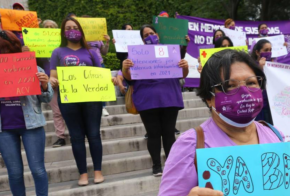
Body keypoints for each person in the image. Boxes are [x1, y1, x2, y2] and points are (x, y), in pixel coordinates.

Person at [154, 50, 290, 196]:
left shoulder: (274, 134)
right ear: (209, 98)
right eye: (230, 85)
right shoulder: (191, 145)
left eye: (252, 82)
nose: (245, 91)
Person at [50, 17, 118, 186]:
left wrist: (111, 80)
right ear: (63, 32)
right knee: (76, 136)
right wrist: (52, 81)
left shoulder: (91, 52)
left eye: (75, 27)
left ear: (80, 30)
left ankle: (97, 171)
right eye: (68, 27)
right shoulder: (57, 52)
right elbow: (52, 75)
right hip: (68, 99)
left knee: (94, 134)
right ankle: (82, 173)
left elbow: (100, 74)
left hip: (91, 99)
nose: (72, 30)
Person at [121, 24, 189, 176]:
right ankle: (156, 165)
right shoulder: (135, 54)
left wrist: (184, 66)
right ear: (142, 39)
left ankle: (171, 165)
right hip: (147, 100)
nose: (149, 36)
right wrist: (125, 68)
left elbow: (182, 75)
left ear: (157, 34)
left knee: (169, 133)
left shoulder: (171, 51)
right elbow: (129, 78)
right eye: (145, 35)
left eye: (151, 33)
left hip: (169, 98)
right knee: (153, 133)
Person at [0, 30, 53, 196]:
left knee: (37, 168)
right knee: (14, 172)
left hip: (31, 124)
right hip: (4, 127)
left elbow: (46, 98)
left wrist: (46, 85)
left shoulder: (33, 68)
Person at [36, 20, 67, 147]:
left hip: (67, 80)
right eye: (46, 27)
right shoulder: (37, 45)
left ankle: (79, 133)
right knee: (57, 111)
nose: (49, 28)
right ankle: (61, 136)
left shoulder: (63, 45)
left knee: (73, 109)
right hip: (49, 81)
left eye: (51, 27)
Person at [81, 15, 111, 116]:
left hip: (99, 63)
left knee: (101, 85)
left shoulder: (98, 37)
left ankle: (103, 107)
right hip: (85, 64)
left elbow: (104, 52)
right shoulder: (80, 38)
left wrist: (107, 42)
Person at [251, 39, 274, 124]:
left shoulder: (272, 65)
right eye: (266, 50)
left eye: (270, 50)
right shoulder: (252, 66)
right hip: (260, 106)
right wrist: (260, 68)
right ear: (257, 52)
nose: (269, 52)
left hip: (271, 105)